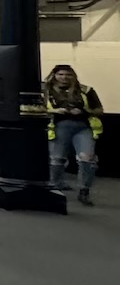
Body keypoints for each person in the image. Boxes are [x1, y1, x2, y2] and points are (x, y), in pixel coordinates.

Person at [44, 64, 103, 205]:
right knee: (57, 159)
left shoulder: (85, 90)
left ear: (73, 76)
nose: (64, 78)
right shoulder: (45, 90)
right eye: (61, 74)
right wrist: (54, 111)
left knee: (87, 159)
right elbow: (35, 108)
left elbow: (99, 110)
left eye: (68, 75)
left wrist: (84, 111)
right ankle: (54, 187)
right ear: (54, 76)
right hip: (57, 126)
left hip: (83, 127)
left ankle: (84, 190)